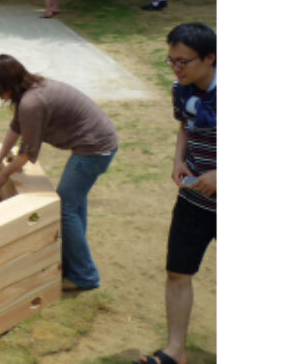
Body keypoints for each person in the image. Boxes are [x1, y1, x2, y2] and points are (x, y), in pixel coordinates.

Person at [0, 54, 118, 292]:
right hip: (95, 143)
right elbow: (16, 127)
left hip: (95, 148)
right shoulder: (29, 89)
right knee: (73, 205)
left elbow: (27, 154)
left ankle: (85, 276)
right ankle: (74, 262)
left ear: (4, 85)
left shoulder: (32, 102)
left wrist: (4, 176)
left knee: (64, 208)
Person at [133, 24, 216, 364]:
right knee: (178, 271)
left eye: (184, 61)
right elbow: (185, 125)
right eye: (171, 61)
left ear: (211, 58)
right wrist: (179, 160)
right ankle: (176, 350)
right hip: (195, 199)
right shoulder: (180, 89)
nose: (177, 69)